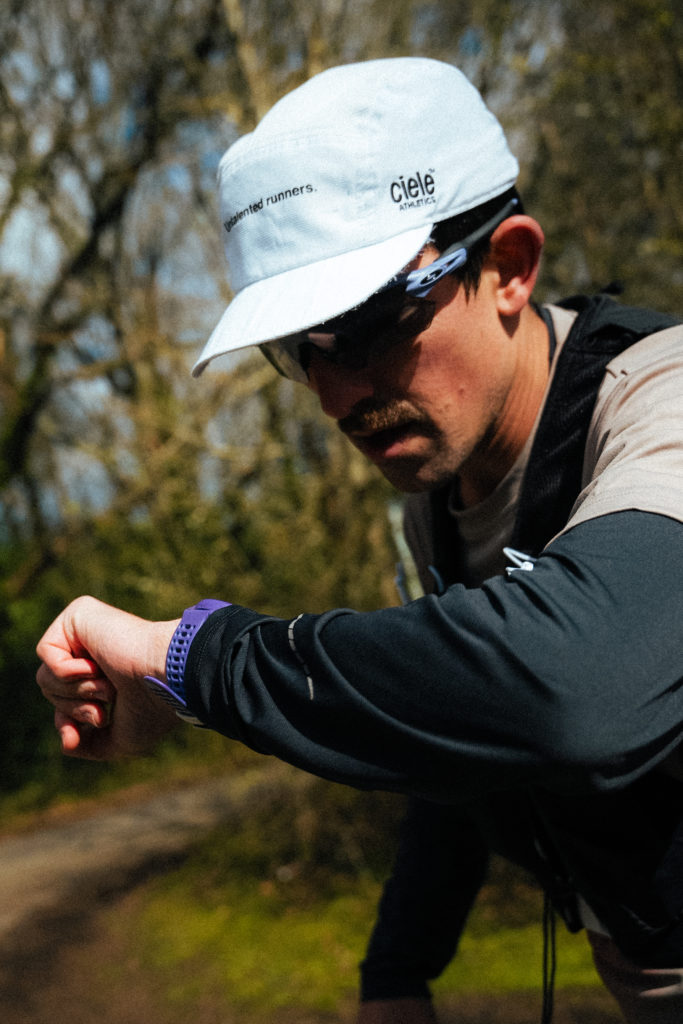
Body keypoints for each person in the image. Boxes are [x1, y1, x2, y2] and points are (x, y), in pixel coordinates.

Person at [35, 57, 683, 1024]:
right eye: (298, 351)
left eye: (373, 323)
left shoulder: (661, 402)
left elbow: (573, 687)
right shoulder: (438, 495)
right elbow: (464, 740)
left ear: (507, 267)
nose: (336, 396)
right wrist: (396, 973)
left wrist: (191, 660)